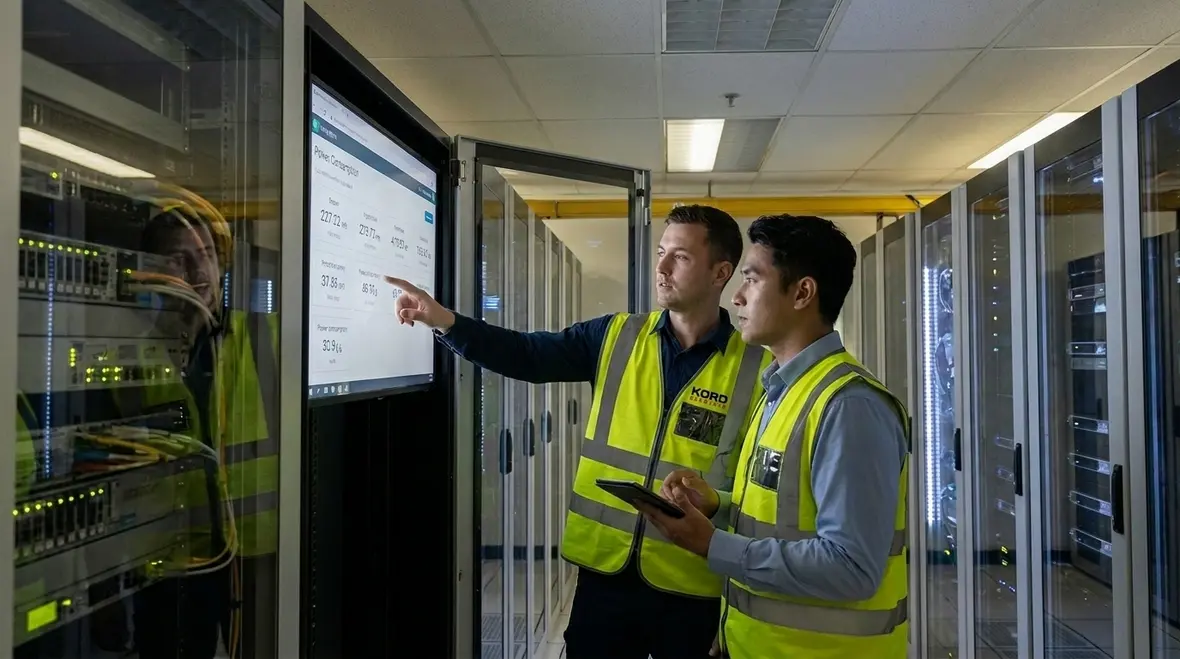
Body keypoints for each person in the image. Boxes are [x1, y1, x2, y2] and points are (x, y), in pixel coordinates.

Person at [386, 205, 772, 659]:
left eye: (681, 257)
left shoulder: (758, 370)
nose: (662, 268)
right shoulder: (615, 336)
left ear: (720, 273)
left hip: (692, 584)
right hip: (603, 576)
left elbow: (760, 492)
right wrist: (446, 322)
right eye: (662, 253)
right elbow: (526, 353)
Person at [638, 215, 910, 659]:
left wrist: (711, 544)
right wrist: (717, 505)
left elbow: (851, 567)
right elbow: (785, 519)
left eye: (752, 279)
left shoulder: (848, 407)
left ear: (802, 292)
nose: (738, 297)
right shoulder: (780, 390)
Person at [130, 192, 280, 659]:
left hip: (261, 555)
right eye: (180, 259)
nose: (199, 274)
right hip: (171, 561)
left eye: (209, 257)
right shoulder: (127, 357)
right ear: (152, 269)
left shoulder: (269, 336)